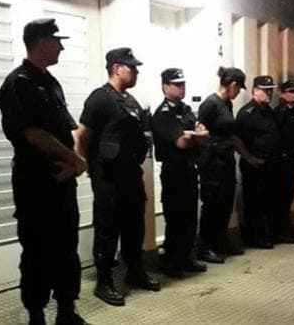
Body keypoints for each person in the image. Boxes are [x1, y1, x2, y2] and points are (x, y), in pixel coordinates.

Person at [0, 19, 91, 325]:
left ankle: (66, 311)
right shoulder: (17, 84)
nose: (61, 47)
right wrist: (75, 160)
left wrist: (74, 163)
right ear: (40, 42)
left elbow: (68, 128)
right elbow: (32, 133)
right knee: (37, 251)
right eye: (56, 40)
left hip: (62, 181)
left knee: (66, 248)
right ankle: (36, 316)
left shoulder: (51, 83)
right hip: (35, 183)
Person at [75, 47, 160, 307]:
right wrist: (88, 166)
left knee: (134, 225)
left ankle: (134, 270)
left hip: (130, 175)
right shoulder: (99, 98)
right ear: (116, 68)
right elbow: (82, 135)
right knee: (107, 230)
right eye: (131, 67)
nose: (136, 72)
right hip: (108, 178)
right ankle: (104, 281)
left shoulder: (130, 101)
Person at [196, 67, 262, 263]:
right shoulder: (210, 104)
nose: (238, 92)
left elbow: (232, 136)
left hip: (226, 162)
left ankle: (219, 241)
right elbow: (200, 135)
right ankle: (205, 247)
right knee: (212, 205)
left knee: (225, 204)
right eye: (238, 88)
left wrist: (248, 157)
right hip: (212, 164)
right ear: (232, 85)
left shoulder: (227, 105)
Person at [151, 68, 208, 277]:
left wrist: (192, 134)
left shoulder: (185, 109)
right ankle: (172, 262)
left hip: (189, 169)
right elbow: (181, 142)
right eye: (177, 84)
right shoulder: (163, 114)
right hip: (173, 171)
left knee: (190, 217)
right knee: (176, 218)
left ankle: (185, 257)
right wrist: (196, 135)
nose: (182, 88)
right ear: (165, 87)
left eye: (183, 84)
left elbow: (202, 132)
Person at [236, 75, 281, 249]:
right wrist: (249, 158)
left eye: (270, 90)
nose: (269, 93)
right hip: (254, 165)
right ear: (255, 91)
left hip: (271, 164)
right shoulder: (246, 113)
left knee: (269, 200)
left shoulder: (270, 112)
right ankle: (255, 237)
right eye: (265, 90)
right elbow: (237, 140)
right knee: (254, 202)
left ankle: (268, 234)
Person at [273, 79, 294, 243]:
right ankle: (281, 229)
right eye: (292, 91)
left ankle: (284, 227)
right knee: (282, 195)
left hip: (290, 157)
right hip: (283, 159)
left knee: (288, 194)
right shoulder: (281, 111)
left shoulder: (292, 110)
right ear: (283, 94)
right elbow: (278, 136)